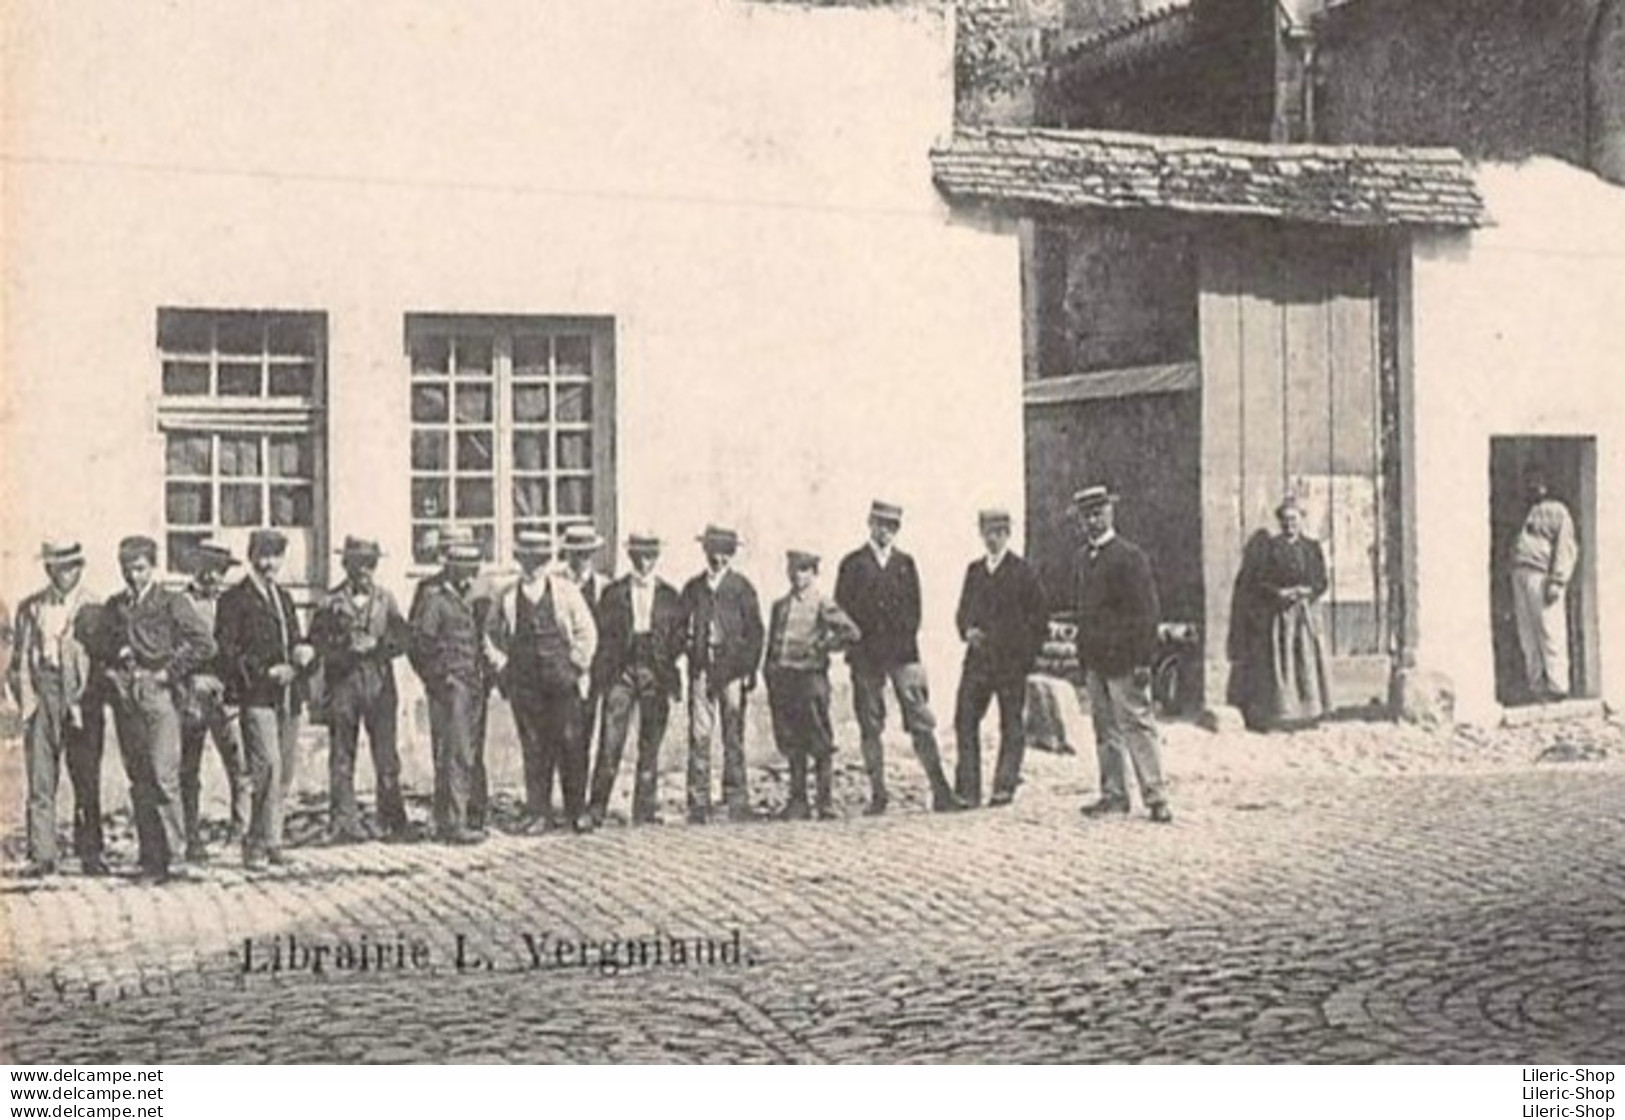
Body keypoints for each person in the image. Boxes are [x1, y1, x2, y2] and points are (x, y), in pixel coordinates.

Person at [93, 535, 217, 881]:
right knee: (140, 777)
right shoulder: (115, 605)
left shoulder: (170, 601)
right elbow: (102, 644)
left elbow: (205, 644)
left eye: (140, 568)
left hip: (159, 694)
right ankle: (151, 857)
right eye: (127, 569)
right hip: (126, 696)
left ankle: (175, 856)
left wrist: (168, 672)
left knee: (164, 775)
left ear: (152, 566)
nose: (133, 576)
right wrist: (115, 664)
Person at [834, 500, 963, 815]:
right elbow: (841, 610)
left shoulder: (905, 563)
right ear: (870, 523)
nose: (885, 531)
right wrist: (859, 640)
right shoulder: (852, 564)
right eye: (880, 524)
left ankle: (941, 790)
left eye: (892, 527)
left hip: (902, 653)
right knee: (870, 723)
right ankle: (878, 794)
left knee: (920, 719)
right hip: (865, 656)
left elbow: (914, 611)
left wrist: (899, 642)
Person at [484, 529, 598, 833]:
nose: (532, 565)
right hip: (525, 683)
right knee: (534, 748)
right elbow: (491, 634)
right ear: (520, 560)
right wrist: (503, 666)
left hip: (561, 680)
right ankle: (538, 812)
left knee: (571, 744)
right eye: (527, 558)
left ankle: (577, 811)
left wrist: (575, 665)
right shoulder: (507, 595)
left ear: (547, 561)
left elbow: (587, 632)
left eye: (538, 559)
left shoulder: (565, 592)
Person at [1071, 486, 1172, 825]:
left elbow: (1147, 613)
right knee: (1104, 730)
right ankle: (1113, 794)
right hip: (1096, 660)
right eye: (1086, 515)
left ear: (1110, 514)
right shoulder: (1084, 558)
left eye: (1098, 513)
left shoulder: (1130, 557)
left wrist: (1144, 660)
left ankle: (1156, 796)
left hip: (1126, 660)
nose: (1092, 520)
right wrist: (1083, 657)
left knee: (1137, 725)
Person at [216, 529, 315, 870]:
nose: (269, 563)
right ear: (251, 556)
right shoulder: (234, 600)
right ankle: (254, 842)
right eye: (263, 555)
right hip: (256, 694)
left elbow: (296, 638)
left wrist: (303, 654)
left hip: (289, 694)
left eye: (275, 556)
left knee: (284, 771)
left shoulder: (284, 598)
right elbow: (229, 652)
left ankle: (274, 840)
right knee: (266, 766)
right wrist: (265, 673)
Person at [10, 540, 109, 877]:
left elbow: (102, 660)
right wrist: (27, 700)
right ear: (48, 569)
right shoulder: (31, 608)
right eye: (55, 566)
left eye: (69, 566)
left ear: (79, 567)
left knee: (86, 778)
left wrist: (86, 699)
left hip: (82, 698)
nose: (62, 573)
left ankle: (91, 852)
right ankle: (42, 853)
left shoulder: (95, 606)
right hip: (43, 693)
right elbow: (17, 661)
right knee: (41, 778)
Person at [309, 536, 411, 843]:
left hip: (379, 683)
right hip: (344, 684)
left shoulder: (385, 600)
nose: (364, 571)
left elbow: (404, 638)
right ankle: (343, 822)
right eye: (357, 564)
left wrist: (378, 645)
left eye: (369, 564)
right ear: (346, 566)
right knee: (342, 753)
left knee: (386, 754)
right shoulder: (330, 602)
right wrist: (344, 647)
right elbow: (317, 641)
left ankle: (391, 819)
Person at [952, 510, 1048, 808]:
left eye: (998, 532)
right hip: (978, 662)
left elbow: (1039, 619)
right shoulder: (975, 571)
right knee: (965, 719)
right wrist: (967, 630)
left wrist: (1024, 656)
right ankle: (968, 789)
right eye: (988, 533)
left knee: (1011, 723)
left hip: (1010, 664)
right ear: (981, 534)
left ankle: (1004, 785)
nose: (993, 539)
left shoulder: (1023, 572)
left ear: (1008, 534)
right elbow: (963, 611)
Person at [587, 533, 685, 827]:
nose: (645, 561)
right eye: (640, 555)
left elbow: (680, 635)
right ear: (631, 557)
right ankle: (596, 808)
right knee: (610, 742)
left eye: (650, 555)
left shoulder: (670, 595)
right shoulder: (614, 594)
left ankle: (644, 809)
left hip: (656, 671)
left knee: (650, 743)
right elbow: (601, 634)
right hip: (622, 671)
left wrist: (666, 658)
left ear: (657, 557)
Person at [409, 528, 492, 843]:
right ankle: (453, 822)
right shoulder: (435, 599)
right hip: (451, 685)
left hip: (474, 683)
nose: (469, 578)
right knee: (454, 751)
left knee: (470, 750)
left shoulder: (477, 596)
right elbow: (419, 645)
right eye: (463, 571)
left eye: (473, 571)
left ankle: (471, 814)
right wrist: (439, 680)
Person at [765, 550, 861, 821]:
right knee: (793, 741)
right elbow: (772, 643)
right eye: (794, 569)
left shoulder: (822, 603)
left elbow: (851, 632)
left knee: (819, 739)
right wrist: (770, 672)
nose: (799, 575)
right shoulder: (780, 606)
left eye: (805, 570)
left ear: (814, 573)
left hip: (811, 679)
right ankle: (798, 801)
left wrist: (823, 646)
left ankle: (825, 801)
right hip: (785, 679)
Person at [679, 526, 764, 824]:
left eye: (725, 552)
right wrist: (688, 649)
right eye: (714, 551)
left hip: (732, 670)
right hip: (702, 667)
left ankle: (736, 796)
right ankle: (698, 800)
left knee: (733, 733)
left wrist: (749, 669)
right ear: (705, 552)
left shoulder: (742, 588)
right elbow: (679, 627)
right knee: (699, 734)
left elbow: (755, 632)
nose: (719, 558)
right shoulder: (693, 588)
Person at [176, 540, 251, 862]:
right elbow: (171, 648)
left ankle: (241, 833)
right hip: (191, 693)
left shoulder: (233, 602)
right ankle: (190, 838)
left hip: (227, 694)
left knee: (240, 766)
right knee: (187, 769)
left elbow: (242, 648)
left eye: (218, 570)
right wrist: (189, 679)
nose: (211, 576)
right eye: (205, 568)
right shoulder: (179, 602)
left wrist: (233, 685)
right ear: (194, 567)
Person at [1242, 496, 1332, 730]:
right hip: (1281, 615)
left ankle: (1311, 713)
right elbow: (1260, 581)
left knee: (1307, 661)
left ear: (1302, 520)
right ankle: (1284, 714)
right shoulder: (1272, 548)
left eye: (1294, 519)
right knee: (1283, 662)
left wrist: (1308, 591)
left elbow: (1322, 581)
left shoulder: (1312, 548)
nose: (1290, 524)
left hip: (1306, 614)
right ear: (1280, 522)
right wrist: (1278, 593)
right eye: (1285, 519)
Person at [1510, 465, 1578, 703]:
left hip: (1542, 575)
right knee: (1527, 631)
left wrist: (1557, 580)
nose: (1534, 486)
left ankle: (1558, 685)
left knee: (1549, 628)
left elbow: (1565, 547)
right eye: (1530, 481)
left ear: (1547, 484)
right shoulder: (1523, 511)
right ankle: (1536, 684)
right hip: (1520, 571)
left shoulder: (1558, 511)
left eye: (1538, 481)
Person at [560, 525, 609, 792]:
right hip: (561, 672)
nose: (580, 560)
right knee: (563, 738)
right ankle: (570, 799)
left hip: (593, 674)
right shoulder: (557, 585)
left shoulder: (603, 588)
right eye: (575, 554)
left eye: (585, 555)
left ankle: (580, 803)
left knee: (584, 736)